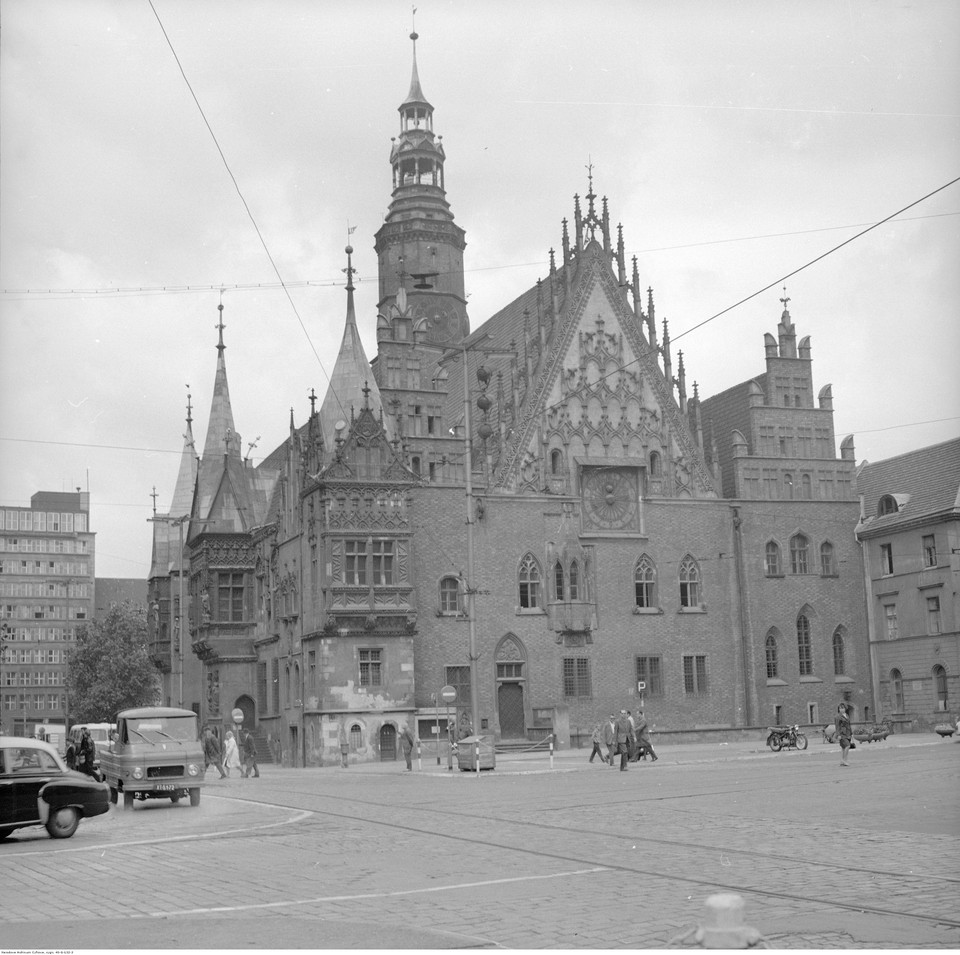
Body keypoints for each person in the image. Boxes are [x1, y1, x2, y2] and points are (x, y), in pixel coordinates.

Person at [837, 702, 853, 767]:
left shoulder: (847, 715)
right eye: (840, 708)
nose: (841, 709)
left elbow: (849, 724)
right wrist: (838, 735)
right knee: (847, 746)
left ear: (845, 708)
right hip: (842, 733)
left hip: (848, 733)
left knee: (843, 747)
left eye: (842, 708)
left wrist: (851, 732)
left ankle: (842, 761)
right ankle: (844, 760)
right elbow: (837, 726)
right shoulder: (838, 717)